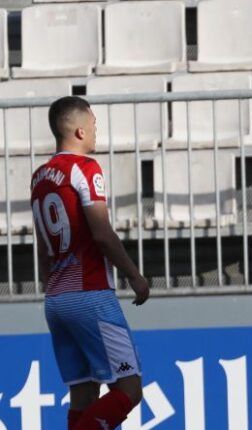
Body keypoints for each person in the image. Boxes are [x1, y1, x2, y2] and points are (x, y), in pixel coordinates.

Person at [31, 96, 150, 430]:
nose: (98, 132)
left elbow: (42, 242)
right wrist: (135, 276)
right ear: (80, 131)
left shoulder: (40, 176)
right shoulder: (84, 169)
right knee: (130, 388)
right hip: (90, 295)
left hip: (56, 299)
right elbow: (101, 233)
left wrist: (50, 286)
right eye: (95, 125)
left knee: (83, 396)